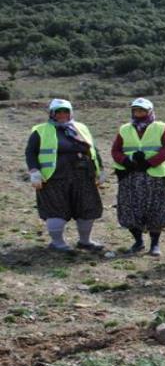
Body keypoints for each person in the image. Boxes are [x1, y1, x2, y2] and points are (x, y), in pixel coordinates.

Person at [25, 99, 106, 253]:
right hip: (55, 179)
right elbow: (30, 152)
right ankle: (57, 243)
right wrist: (34, 171)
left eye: (65, 112)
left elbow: (93, 149)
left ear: (70, 113)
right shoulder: (40, 130)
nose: (62, 115)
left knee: (86, 208)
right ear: (52, 114)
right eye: (58, 112)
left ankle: (85, 241)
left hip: (83, 177)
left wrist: (100, 169)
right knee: (56, 210)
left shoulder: (81, 128)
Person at [112, 98, 165, 257]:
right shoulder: (124, 129)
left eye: (142, 110)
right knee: (130, 208)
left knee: (156, 209)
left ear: (150, 111)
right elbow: (116, 150)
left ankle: (155, 244)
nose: (139, 113)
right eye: (136, 110)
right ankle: (138, 241)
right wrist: (126, 161)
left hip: (155, 174)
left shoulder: (161, 127)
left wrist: (150, 162)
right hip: (130, 174)